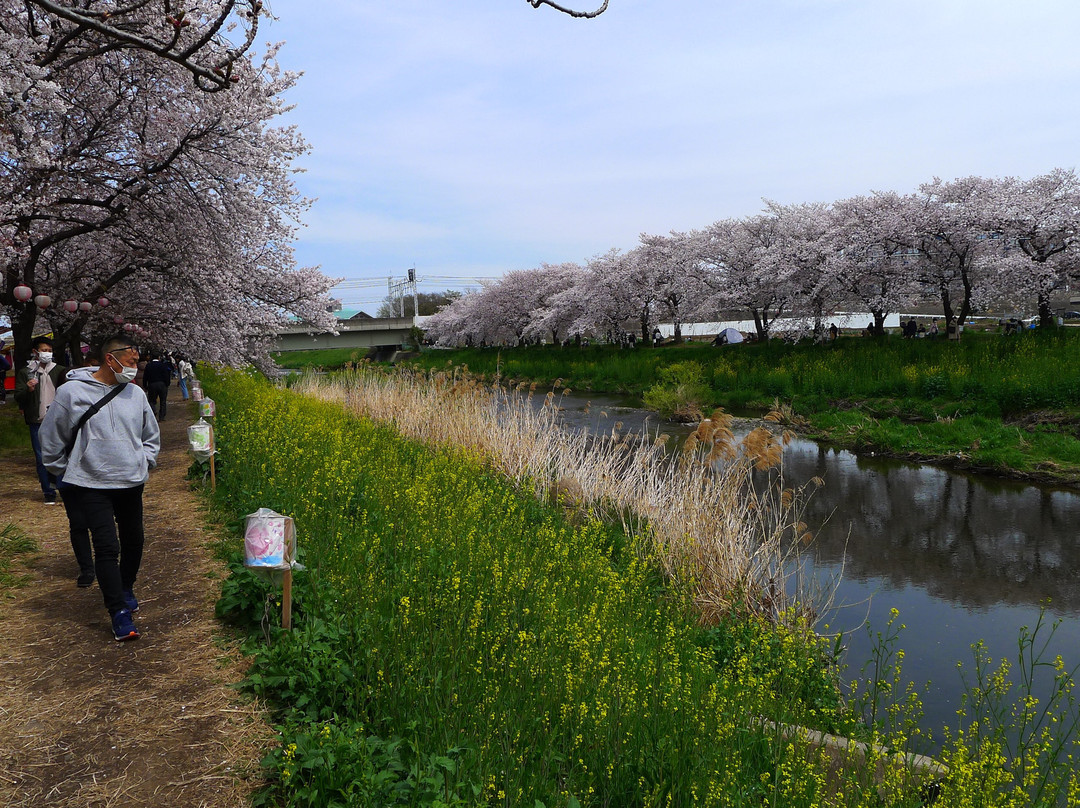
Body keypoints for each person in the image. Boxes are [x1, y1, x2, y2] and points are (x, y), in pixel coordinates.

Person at [39, 335, 160, 641]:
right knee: (107, 546)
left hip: (130, 481)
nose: (136, 367)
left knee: (135, 540)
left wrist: (144, 461)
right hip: (91, 484)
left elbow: (150, 435)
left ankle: (126, 586)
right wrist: (68, 472)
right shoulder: (71, 393)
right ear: (111, 359)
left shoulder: (136, 394)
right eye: (132, 362)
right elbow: (50, 437)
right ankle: (118, 611)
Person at [14, 338, 68, 504]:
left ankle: (62, 487)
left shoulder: (59, 370)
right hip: (36, 420)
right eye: (44, 350)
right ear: (35, 352)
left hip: (58, 419)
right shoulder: (26, 372)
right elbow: (18, 396)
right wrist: (29, 389)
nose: (47, 353)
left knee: (61, 454)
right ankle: (48, 492)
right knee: (41, 457)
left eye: (49, 350)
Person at [142, 351, 171, 420]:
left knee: (151, 400)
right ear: (159, 357)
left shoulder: (148, 365)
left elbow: (145, 376)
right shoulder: (163, 365)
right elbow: (166, 375)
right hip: (162, 384)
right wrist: (167, 384)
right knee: (163, 401)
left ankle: (153, 411)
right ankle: (162, 416)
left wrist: (145, 385)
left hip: (152, 384)